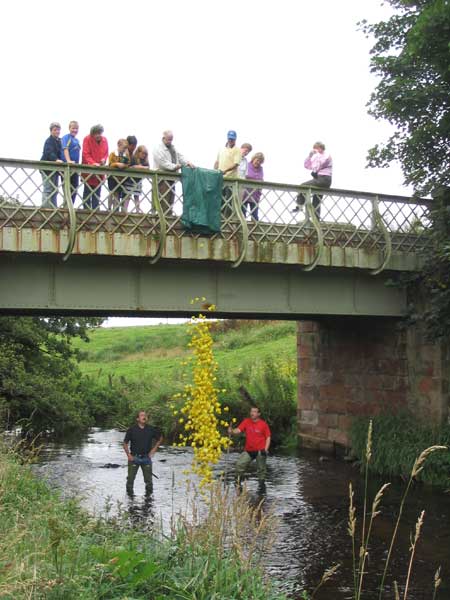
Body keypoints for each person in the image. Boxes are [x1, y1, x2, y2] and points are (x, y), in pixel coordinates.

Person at [228, 406, 271, 488]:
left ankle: (261, 487)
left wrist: (265, 449)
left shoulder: (263, 424)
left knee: (261, 470)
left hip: (260, 450)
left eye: (254, 412)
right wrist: (232, 431)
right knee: (239, 465)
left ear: (258, 414)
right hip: (248, 450)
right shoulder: (246, 421)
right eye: (251, 411)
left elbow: (268, 437)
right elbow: (238, 430)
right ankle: (237, 483)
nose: (252, 413)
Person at [123, 410, 163, 495]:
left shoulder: (151, 429)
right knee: (130, 481)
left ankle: (148, 502)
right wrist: (128, 455)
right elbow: (125, 443)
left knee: (149, 483)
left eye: (145, 415)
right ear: (138, 418)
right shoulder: (131, 429)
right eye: (142, 415)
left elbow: (160, 438)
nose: (144, 417)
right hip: (134, 458)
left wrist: (154, 449)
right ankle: (130, 502)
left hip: (146, 458)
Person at [153, 130, 193, 214]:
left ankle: (169, 215)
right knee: (163, 200)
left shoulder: (172, 148)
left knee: (171, 199)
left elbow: (180, 156)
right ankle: (162, 218)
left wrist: (187, 162)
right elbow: (163, 163)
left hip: (171, 178)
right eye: (168, 139)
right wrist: (174, 166)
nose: (170, 142)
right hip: (162, 179)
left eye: (171, 140)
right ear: (163, 138)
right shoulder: (158, 149)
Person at [293, 141, 332, 219]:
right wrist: (310, 156)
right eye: (314, 149)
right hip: (320, 179)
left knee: (302, 186)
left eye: (316, 148)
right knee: (316, 199)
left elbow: (323, 163)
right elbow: (307, 165)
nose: (315, 150)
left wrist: (315, 170)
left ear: (321, 148)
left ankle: (300, 205)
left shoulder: (326, 156)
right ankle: (316, 219)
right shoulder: (317, 157)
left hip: (324, 179)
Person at [214, 130, 242, 218]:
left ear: (235, 139)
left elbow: (236, 164)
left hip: (231, 179)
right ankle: (219, 216)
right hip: (220, 177)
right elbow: (217, 161)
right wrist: (214, 170)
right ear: (227, 138)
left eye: (233, 139)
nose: (231, 141)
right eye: (230, 139)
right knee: (220, 198)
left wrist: (225, 171)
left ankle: (227, 218)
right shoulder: (221, 149)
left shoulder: (237, 150)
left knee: (229, 200)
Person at [81, 124, 109, 209]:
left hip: (99, 172)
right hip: (89, 171)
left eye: (99, 133)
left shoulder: (104, 140)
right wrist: (93, 163)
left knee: (97, 194)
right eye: (96, 133)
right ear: (92, 134)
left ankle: (95, 211)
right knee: (87, 192)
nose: (98, 135)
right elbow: (86, 154)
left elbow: (106, 153)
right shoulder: (87, 139)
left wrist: (104, 159)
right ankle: (86, 212)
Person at [40, 122, 63, 207]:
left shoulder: (59, 141)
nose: (57, 131)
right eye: (55, 130)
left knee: (55, 189)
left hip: (55, 169)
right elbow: (49, 152)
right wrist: (56, 159)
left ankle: (53, 208)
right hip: (47, 168)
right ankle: (46, 208)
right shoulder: (49, 141)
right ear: (51, 131)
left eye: (58, 130)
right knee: (48, 189)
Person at [124, 144, 150, 212]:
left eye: (145, 154)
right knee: (128, 196)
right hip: (130, 180)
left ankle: (137, 210)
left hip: (138, 181)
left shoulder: (145, 161)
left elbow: (147, 168)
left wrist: (141, 167)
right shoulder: (133, 158)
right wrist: (140, 167)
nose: (144, 155)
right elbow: (132, 166)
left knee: (137, 196)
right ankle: (125, 210)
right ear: (138, 152)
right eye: (142, 153)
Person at [60, 120, 81, 204]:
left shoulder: (77, 140)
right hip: (67, 167)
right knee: (67, 188)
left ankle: (71, 205)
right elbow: (65, 149)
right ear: (69, 128)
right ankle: (66, 205)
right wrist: (68, 160)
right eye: (73, 128)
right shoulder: (66, 137)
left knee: (74, 188)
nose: (75, 130)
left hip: (75, 167)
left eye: (76, 128)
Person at [107, 138, 130, 210]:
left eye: (126, 148)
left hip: (121, 178)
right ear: (119, 145)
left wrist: (124, 166)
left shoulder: (126, 155)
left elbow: (128, 164)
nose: (124, 150)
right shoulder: (113, 154)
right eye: (123, 148)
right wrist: (117, 164)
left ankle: (115, 208)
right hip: (112, 177)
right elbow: (110, 164)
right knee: (111, 192)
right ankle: (109, 208)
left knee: (117, 193)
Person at [242, 152, 265, 221]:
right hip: (245, 193)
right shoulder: (247, 165)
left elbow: (261, 179)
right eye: (257, 160)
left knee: (255, 214)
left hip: (255, 194)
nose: (258, 162)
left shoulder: (261, 169)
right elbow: (243, 176)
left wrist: (260, 189)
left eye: (260, 161)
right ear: (253, 159)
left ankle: (254, 226)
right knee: (243, 212)